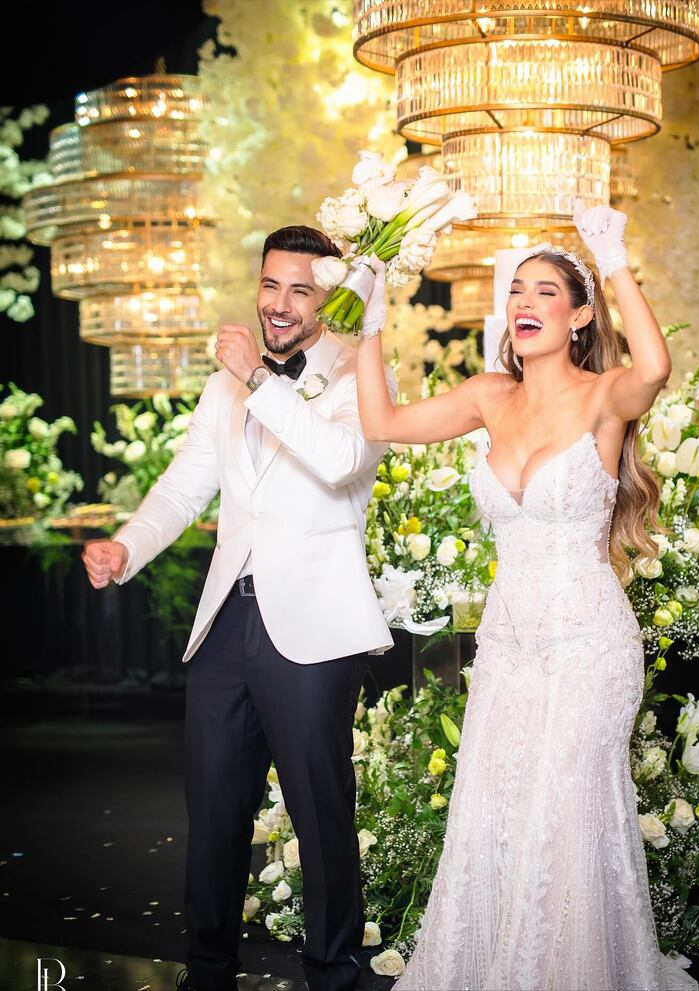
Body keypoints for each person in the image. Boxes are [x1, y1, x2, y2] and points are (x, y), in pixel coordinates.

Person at [353, 201, 698, 990]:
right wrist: (370, 318)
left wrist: (611, 253)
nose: (524, 304)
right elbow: (381, 419)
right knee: (496, 813)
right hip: (508, 649)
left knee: (566, 820)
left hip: (589, 649)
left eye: (546, 293)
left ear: (578, 317)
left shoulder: (606, 396)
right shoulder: (487, 396)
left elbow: (654, 367)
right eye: (517, 293)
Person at [81, 225, 395, 991]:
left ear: (328, 298)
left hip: (314, 627)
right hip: (228, 621)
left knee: (321, 814)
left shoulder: (359, 375)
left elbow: (340, 461)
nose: (280, 304)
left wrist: (260, 379)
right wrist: (128, 546)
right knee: (215, 806)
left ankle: (335, 972)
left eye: (301, 289)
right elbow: (188, 483)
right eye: (270, 285)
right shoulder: (225, 382)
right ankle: (208, 971)